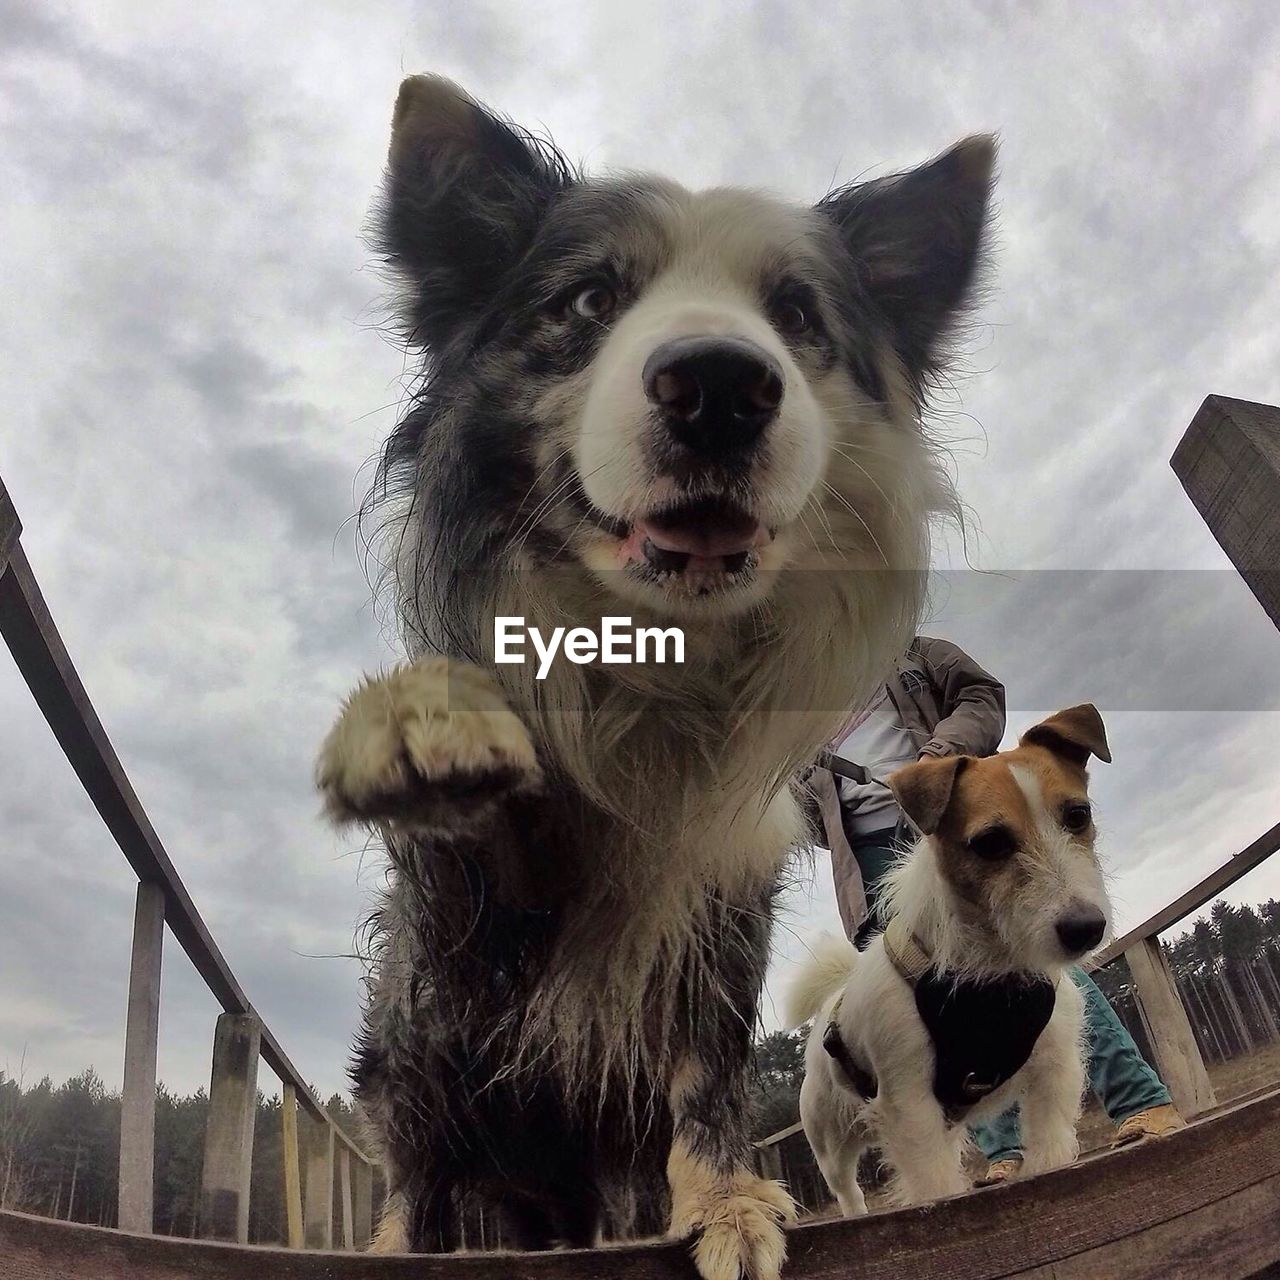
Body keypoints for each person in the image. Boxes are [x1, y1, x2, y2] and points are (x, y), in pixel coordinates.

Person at [810, 636, 1184, 1181]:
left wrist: (939, 757)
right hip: (867, 849)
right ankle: (1002, 1154)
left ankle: (1138, 1100)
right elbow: (802, 801)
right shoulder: (795, 700)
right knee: (924, 1017)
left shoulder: (912, 651)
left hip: (966, 803)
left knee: (1044, 968)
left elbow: (982, 694)